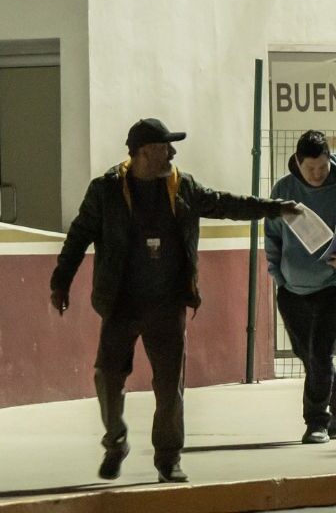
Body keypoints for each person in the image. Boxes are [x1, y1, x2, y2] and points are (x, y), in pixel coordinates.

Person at [49, 118, 299, 483]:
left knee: (169, 386)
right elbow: (78, 237)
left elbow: (224, 204)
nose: (172, 153)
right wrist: (61, 282)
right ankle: (115, 438)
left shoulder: (182, 187)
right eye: (166, 147)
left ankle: (169, 459)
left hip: (167, 304)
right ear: (144, 152)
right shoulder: (106, 190)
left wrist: (274, 208)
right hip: (120, 302)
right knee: (107, 377)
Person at [264, 130, 336, 444]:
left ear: (330, 160)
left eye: (322, 167)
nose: (317, 175)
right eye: (310, 169)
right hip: (292, 287)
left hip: (334, 284)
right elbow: (272, 235)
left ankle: (317, 421)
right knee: (306, 352)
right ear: (298, 164)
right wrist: (278, 274)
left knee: (320, 352)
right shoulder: (284, 189)